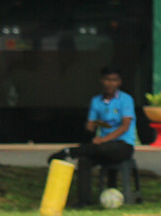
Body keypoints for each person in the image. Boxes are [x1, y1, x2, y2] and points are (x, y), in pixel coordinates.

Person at [48, 65, 136, 207]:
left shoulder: (126, 100)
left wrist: (104, 139)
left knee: (103, 148)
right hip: (99, 146)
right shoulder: (96, 101)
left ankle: (70, 152)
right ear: (102, 80)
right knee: (84, 160)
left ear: (119, 82)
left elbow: (125, 126)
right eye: (107, 80)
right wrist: (91, 126)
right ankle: (84, 201)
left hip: (122, 146)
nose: (110, 83)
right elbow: (90, 126)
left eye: (114, 80)